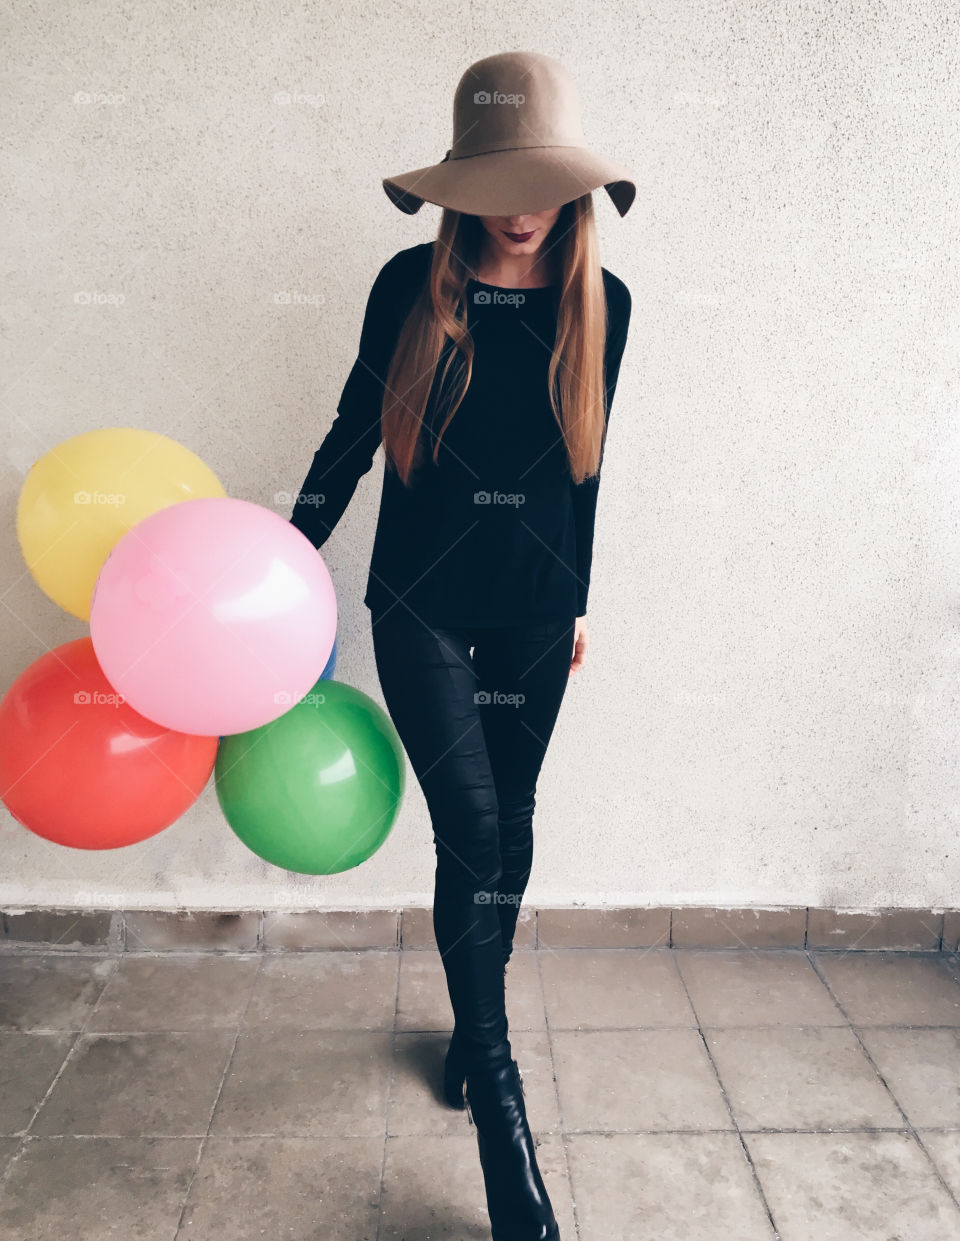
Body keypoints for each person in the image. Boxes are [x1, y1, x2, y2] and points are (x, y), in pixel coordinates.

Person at [290, 49, 633, 1241]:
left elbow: (582, 471)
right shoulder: (408, 286)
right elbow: (350, 432)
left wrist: (578, 598)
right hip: (422, 604)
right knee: (473, 827)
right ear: (458, 185)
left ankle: (467, 1018)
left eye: (539, 178)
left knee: (511, 832)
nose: (521, 205)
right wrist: (286, 559)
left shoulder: (606, 302)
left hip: (535, 608)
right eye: (495, 180)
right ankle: (501, 1113)